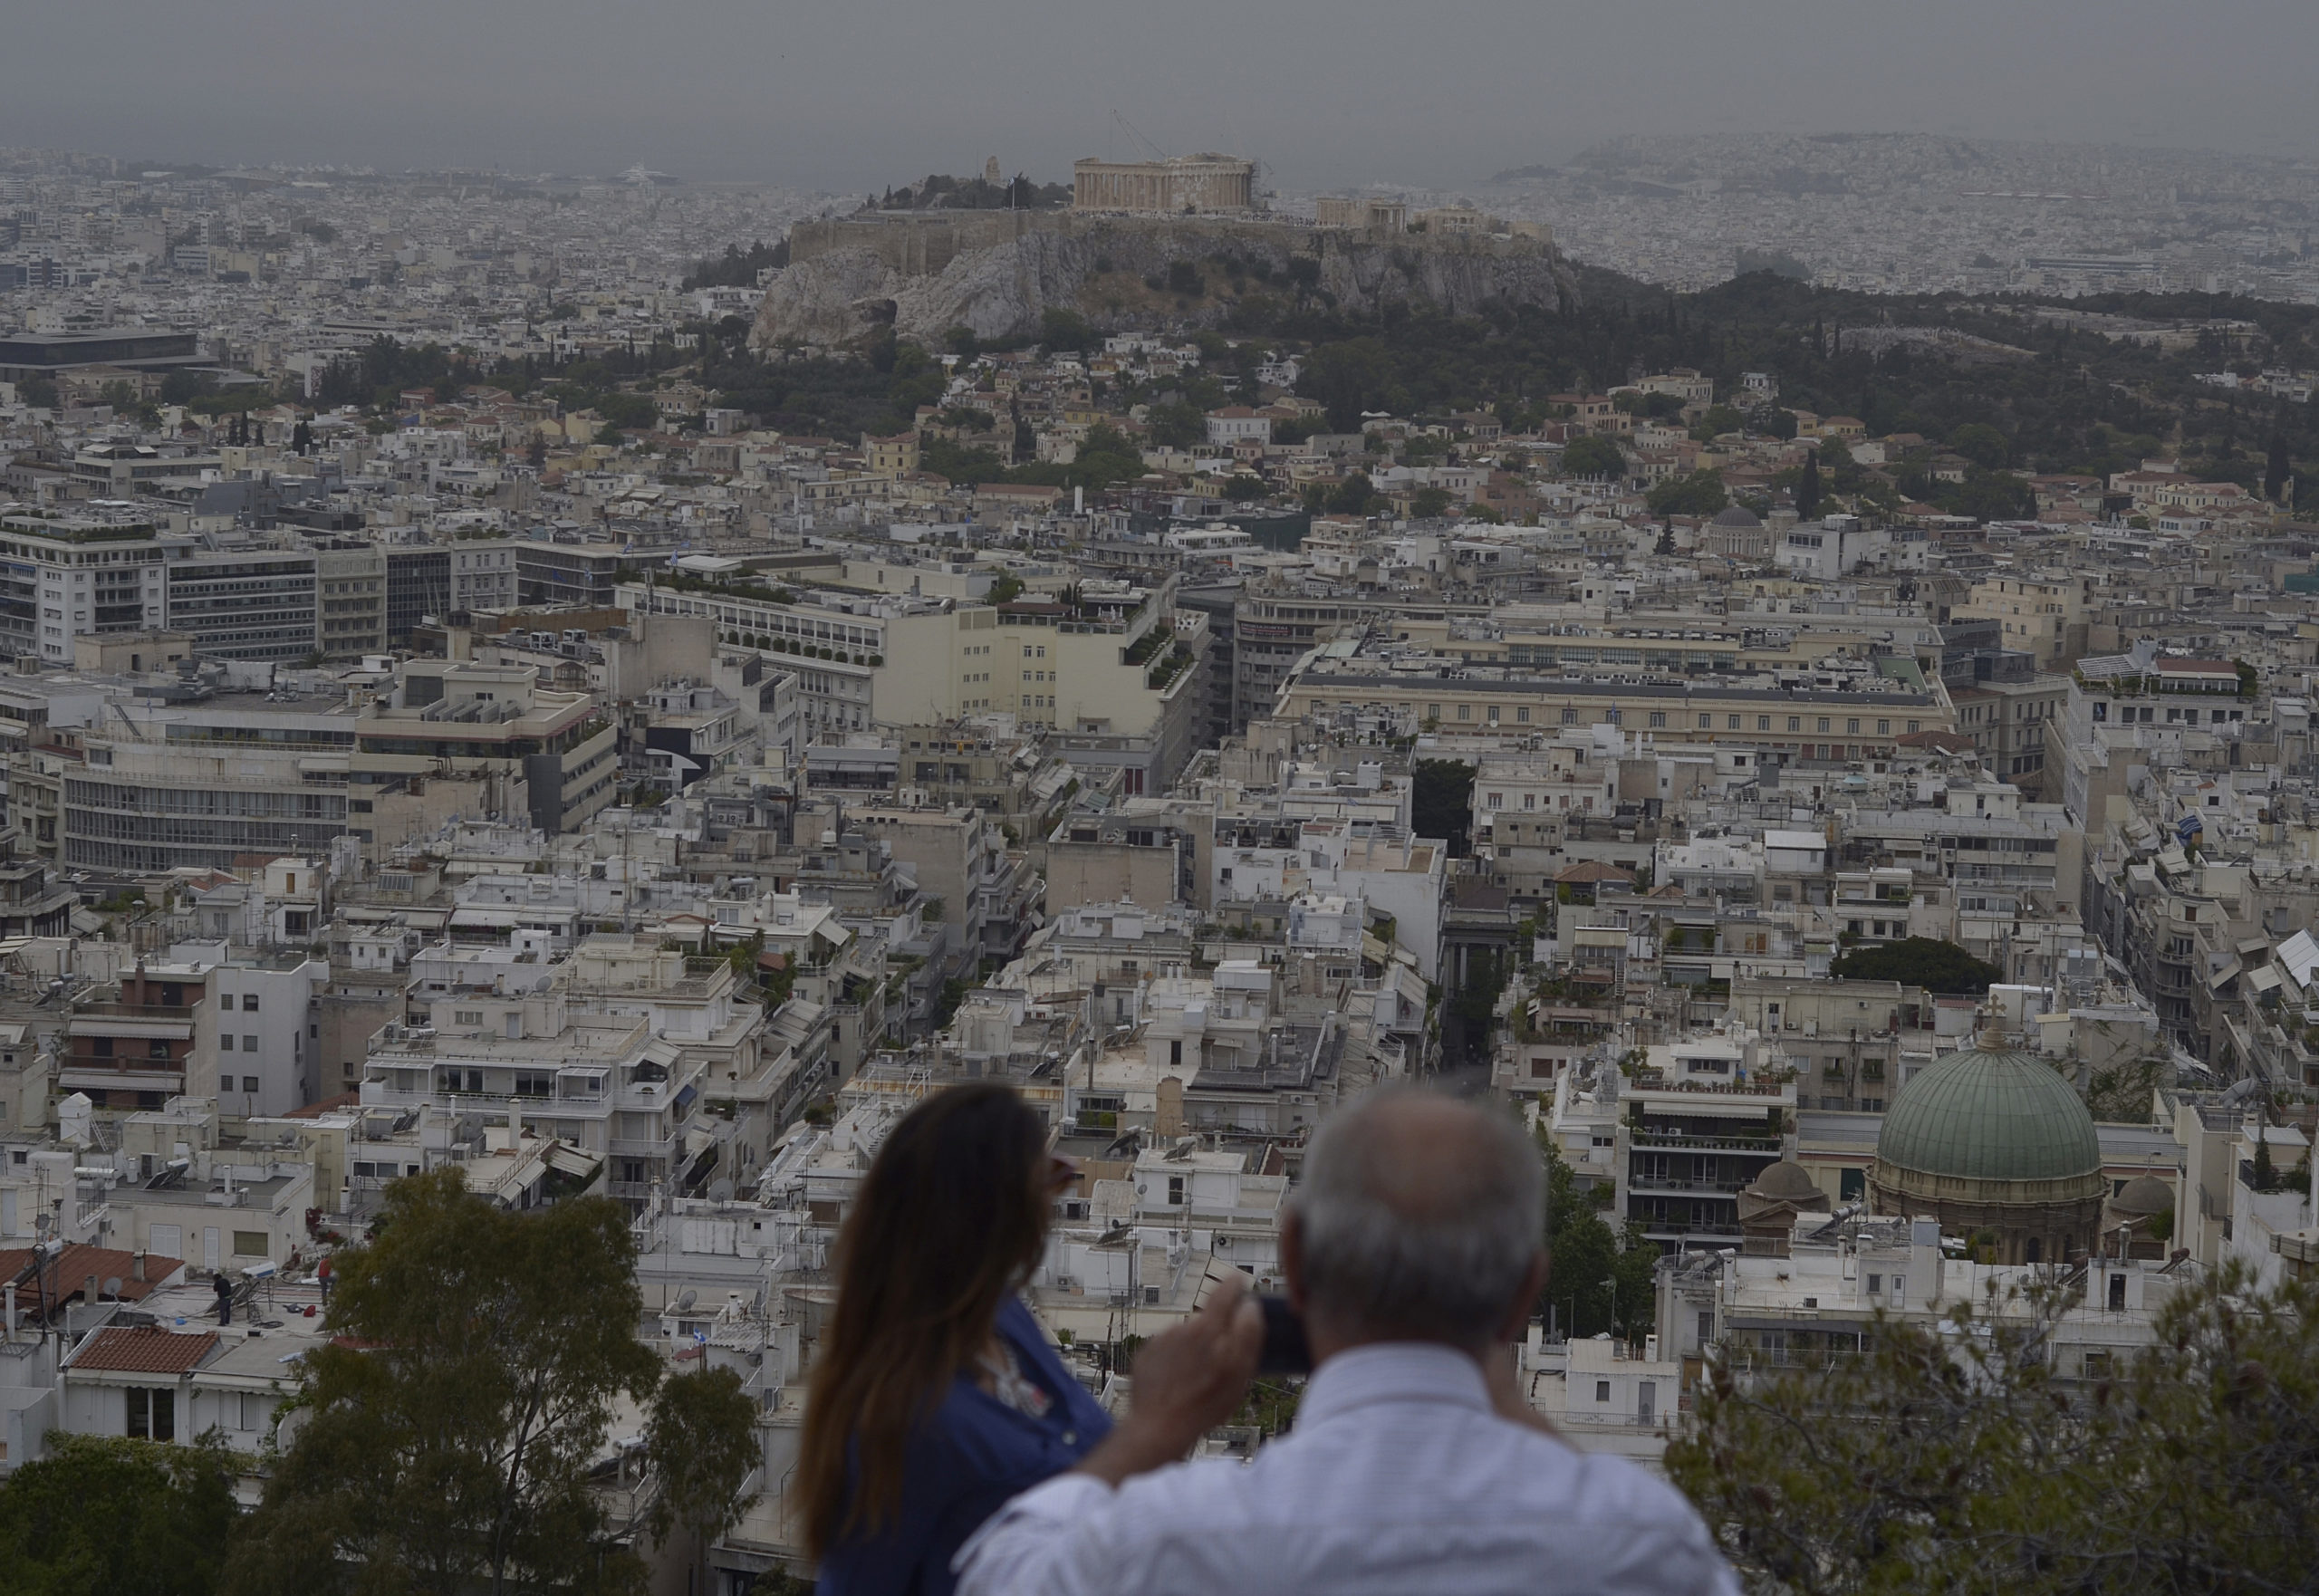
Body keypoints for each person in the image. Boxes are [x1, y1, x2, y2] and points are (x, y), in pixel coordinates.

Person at [956, 1087, 1740, 1596]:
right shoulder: (1642, 1547)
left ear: (1292, 1261)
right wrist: (1513, 1404)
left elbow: (998, 1576)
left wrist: (1157, 1430)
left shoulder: (1178, 1541)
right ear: (1522, 1297)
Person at [799, 1082, 1110, 1596]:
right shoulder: (906, 1419)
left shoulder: (1001, 1321)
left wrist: (1028, 1187)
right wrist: (1163, 1421)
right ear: (987, 1213)